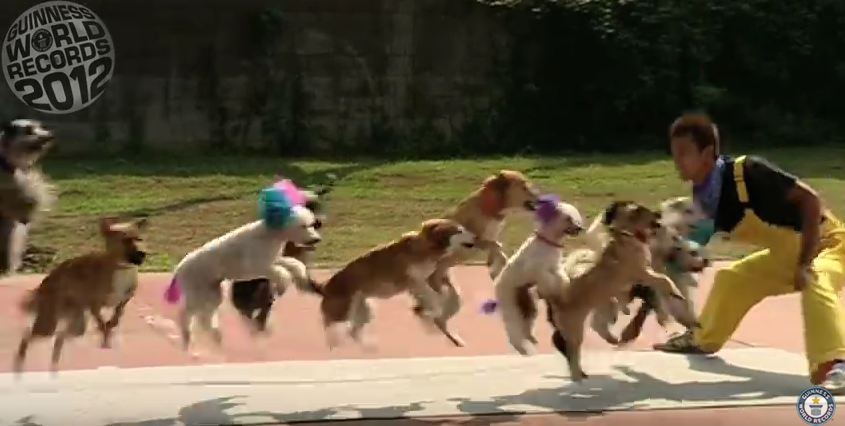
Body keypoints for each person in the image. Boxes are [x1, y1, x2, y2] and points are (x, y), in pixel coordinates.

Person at [653, 112, 845, 393]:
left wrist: (804, 263)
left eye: (684, 153)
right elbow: (694, 243)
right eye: (674, 154)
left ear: (707, 153)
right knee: (732, 278)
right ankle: (701, 338)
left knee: (814, 278)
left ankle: (836, 365)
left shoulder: (749, 171)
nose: (677, 162)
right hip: (785, 255)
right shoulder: (703, 197)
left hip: (829, 243)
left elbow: (811, 201)